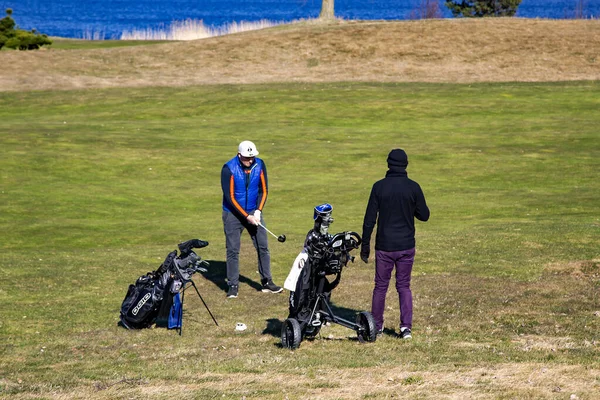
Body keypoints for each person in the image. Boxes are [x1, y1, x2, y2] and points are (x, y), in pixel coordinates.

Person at [361, 149, 430, 339]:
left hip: (384, 246)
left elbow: (369, 219)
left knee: (380, 287)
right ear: (406, 165)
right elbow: (424, 215)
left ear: (388, 164)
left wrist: (365, 245)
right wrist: (409, 208)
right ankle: (405, 328)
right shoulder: (413, 187)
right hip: (406, 245)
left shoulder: (379, 187)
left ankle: (377, 326)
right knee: (404, 286)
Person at [221, 140, 283, 298]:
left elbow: (264, 190)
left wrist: (257, 211)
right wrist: (246, 216)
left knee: (263, 247)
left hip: (253, 212)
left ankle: (267, 282)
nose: (250, 160)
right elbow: (230, 198)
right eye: (247, 158)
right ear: (239, 155)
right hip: (232, 214)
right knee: (233, 250)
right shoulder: (228, 169)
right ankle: (233, 285)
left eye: (252, 157)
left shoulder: (260, 165)